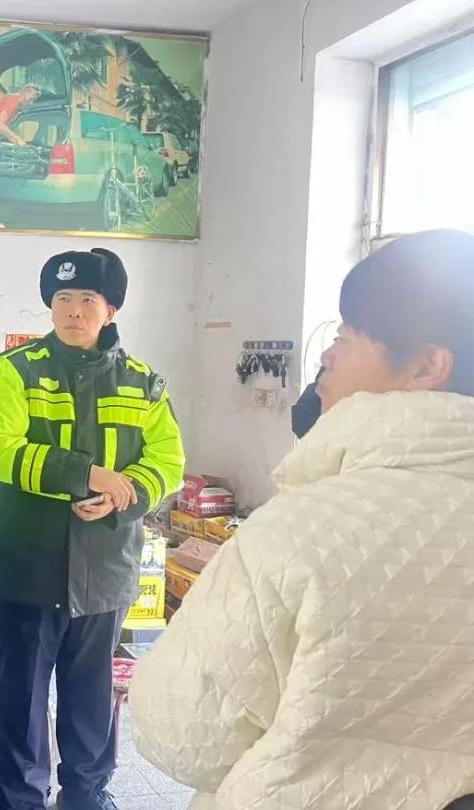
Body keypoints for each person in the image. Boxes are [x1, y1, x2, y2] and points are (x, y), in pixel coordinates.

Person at [131, 229, 474, 809]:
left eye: (346, 335)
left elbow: (181, 735)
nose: (328, 355)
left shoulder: (301, 531)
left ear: (425, 367)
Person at [0, 248, 185, 810]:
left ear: (110, 310)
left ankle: (87, 796)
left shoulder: (143, 383)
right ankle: (19, 799)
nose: (73, 310)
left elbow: (168, 462)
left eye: (87, 299)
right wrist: (85, 475)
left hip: (104, 566)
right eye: (62, 298)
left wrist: (124, 493)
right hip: (29, 565)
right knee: (20, 696)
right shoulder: (16, 370)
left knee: (91, 696)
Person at [0, 83, 41, 188]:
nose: (30, 102)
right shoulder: (12, 101)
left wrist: (14, 141)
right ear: (24, 92)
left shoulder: (15, 107)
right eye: (30, 99)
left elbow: (2, 128)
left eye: (33, 100)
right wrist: (18, 140)